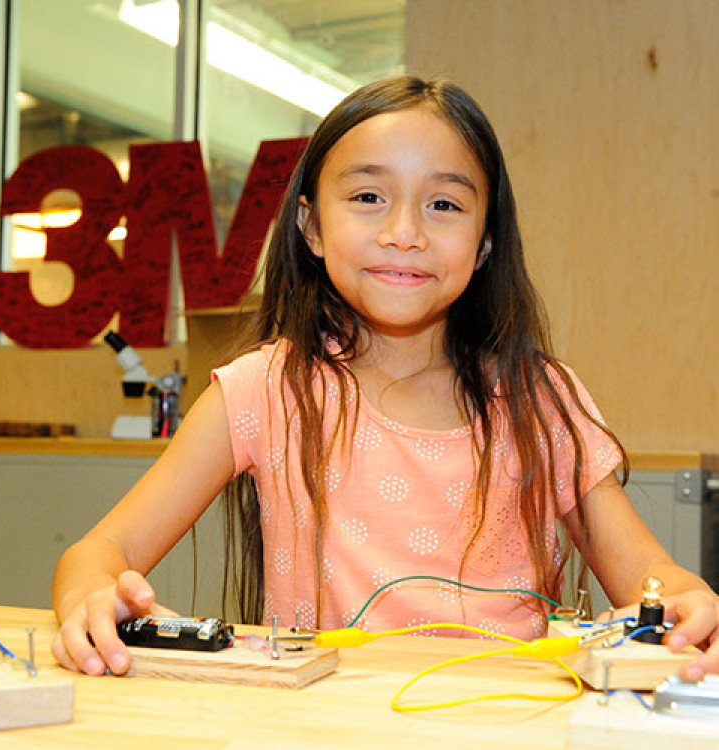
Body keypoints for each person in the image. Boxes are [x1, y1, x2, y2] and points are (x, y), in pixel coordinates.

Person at [52, 75, 719, 680]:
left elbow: (651, 580)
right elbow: (98, 551)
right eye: (368, 196)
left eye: (445, 206)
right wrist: (93, 593)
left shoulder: (540, 398)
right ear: (311, 226)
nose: (405, 233)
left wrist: (689, 603)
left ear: (485, 243)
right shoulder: (261, 392)